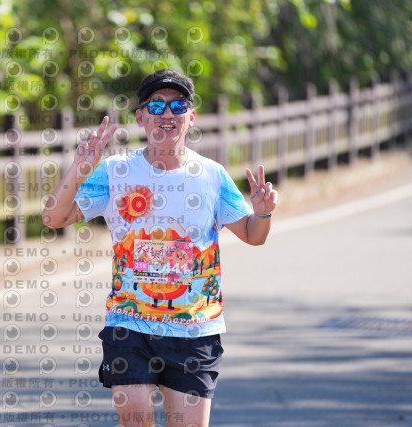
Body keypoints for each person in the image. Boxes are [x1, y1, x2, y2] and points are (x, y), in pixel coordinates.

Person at [42, 69, 278, 426]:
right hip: (129, 324)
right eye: (156, 105)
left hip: (195, 329)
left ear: (191, 117)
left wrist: (262, 213)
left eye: (178, 105)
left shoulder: (212, 175)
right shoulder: (115, 171)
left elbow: (253, 235)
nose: (167, 113)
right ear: (141, 117)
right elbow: (54, 217)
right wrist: (79, 168)